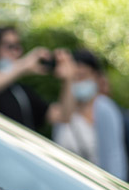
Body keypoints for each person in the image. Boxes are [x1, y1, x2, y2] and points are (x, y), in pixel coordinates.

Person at [0, 24, 67, 130]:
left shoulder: (19, 92)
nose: (17, 52)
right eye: (10, 46)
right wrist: (24, 64)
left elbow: (62, 116)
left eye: (18, 46)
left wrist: (68, 79)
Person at [52, 49, 127, 180]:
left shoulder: (104, 108)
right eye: (75, 77)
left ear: (96, 77)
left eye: (83, 76)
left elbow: (114, 157)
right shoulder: (63, 109)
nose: (79, 82)